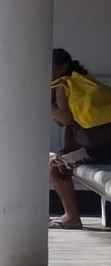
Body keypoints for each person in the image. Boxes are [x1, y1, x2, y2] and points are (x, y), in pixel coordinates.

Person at [48, 48, 111, 230]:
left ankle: (71, 216)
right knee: (55, 163)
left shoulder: (62, 86)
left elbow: (65, 119)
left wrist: (47, 104)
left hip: (90, 148)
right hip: (96, 144)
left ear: (62, 68)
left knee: (56, 166)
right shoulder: (81, 82)